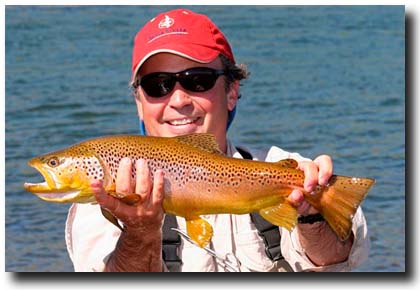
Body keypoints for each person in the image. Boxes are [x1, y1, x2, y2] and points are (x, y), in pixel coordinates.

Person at [65, 8, 369, 272]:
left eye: (198, 80)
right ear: (139, 102)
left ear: (232, 91)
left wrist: (314, 212)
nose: (179, 100)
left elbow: (336, 263)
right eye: (158, 85)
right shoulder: (101, 201)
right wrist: (139, 232)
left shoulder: (288, 169)